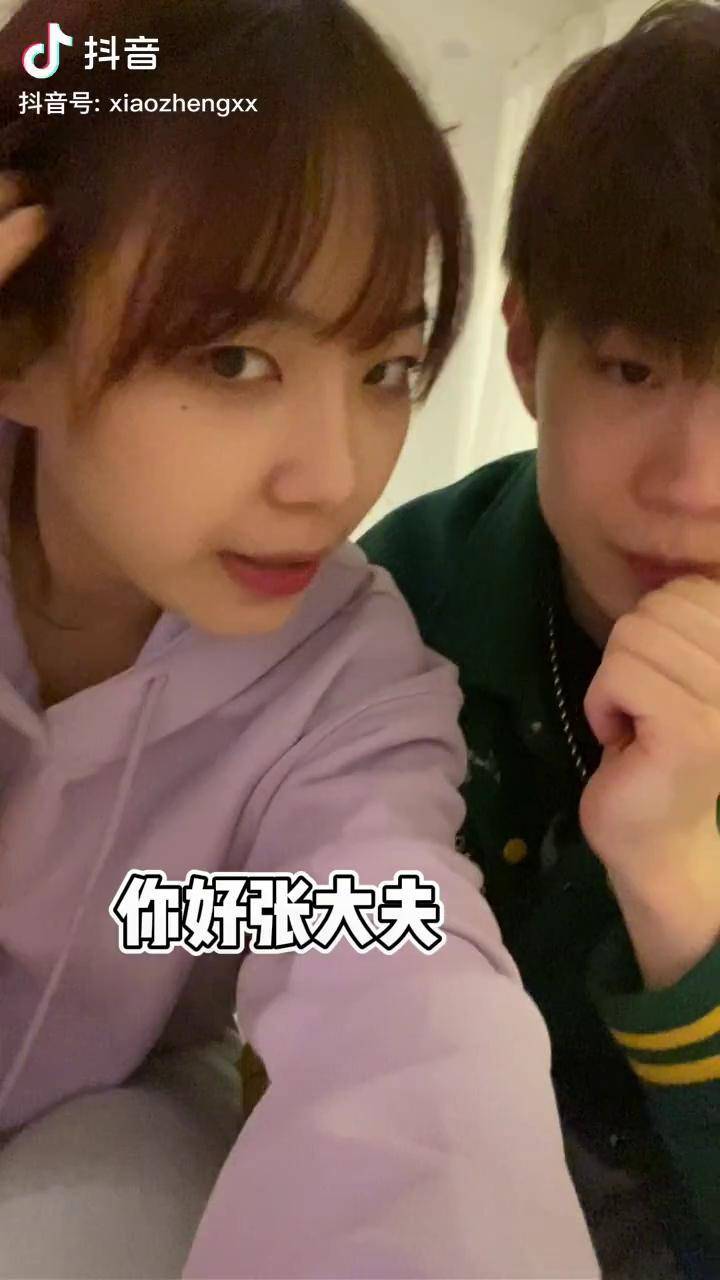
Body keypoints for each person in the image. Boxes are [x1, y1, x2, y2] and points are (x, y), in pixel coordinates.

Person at [0, 1, 599, 1277]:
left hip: (95, 1141)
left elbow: (393, 968)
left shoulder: (342, 672)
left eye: (386, 369)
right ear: (20, 331)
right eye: (232, 359)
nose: (333, 479)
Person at [361, 4, 720, 1277]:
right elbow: (209, 926)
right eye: (631, 370)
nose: (694, 484)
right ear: (524, 351)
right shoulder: (396, 597)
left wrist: (677, 880)